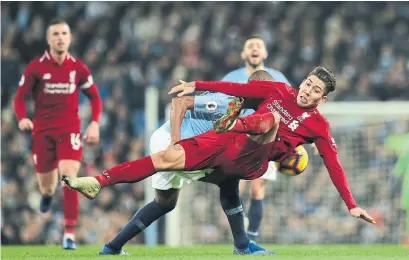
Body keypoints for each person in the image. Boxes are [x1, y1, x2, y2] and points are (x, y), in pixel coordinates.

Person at [63, 68, 375, 248]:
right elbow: (233, 87)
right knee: (167, 170)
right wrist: (197, 85)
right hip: (225, 145)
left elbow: (333, 164)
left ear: (323, 98)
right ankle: (100, 181)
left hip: (254, 157)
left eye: (315, 90)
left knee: (270, 124)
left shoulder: (318, 125)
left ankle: (243, 242)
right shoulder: (277, 90)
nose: (307, 90)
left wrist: (350, 203)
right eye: (308, 83)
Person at [97, 71, 277, 255]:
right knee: (229, 178)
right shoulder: (230, 101)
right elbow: (179, 103)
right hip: (174, 141)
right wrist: (175, 143)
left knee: (165, 203)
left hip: (187, 145)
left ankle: (112, 247)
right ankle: (242, 245)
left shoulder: (260, 111)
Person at [13, 18, 102, 250]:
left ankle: (69, 233)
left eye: (64, 33)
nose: (60, 37)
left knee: (69, 178)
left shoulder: (78, 68)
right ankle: (46, 196)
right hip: (42, 133)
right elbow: (20, 97)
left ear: (70, 38)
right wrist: (22, 118)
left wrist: (94, 123)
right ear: (48, 39)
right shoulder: (36, 67)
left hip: (69, 130)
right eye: (56, 34)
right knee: (47, 187)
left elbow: (95, 97)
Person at [222, 35, 290, 241]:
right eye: (250, 46)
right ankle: (241, 233)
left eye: (258, 45)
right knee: (235, 186)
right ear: (243, 54)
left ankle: (250, 237)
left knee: (258, 187)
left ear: (265, 53)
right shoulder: (231, 78)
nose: (254, 48)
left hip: (266, 139)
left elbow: (290, 107)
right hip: (237, 138)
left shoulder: (277, 77)